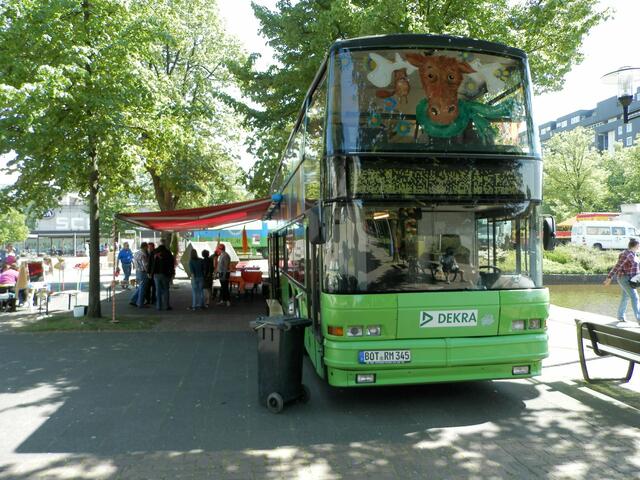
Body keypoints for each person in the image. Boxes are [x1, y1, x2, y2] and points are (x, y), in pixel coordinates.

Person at [603, 238, 640, 324]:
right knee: (635, 297)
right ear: (635, 245)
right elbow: (617, 266)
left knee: (625, 297)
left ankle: (621, 316)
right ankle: (639, 319)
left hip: (632, 280)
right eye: (639, 245)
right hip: (624, 278)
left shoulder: (634, 254)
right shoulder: (626, 254)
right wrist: (609, 278)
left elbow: (636, 267)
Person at [149, 238, 175, 311]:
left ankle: (158, 306)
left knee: (158, 290)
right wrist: (172, 273)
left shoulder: (154, 251)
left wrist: (149, 272)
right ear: (165, 243)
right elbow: (171, 264)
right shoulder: (168, 252)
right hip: (165, 274)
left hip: (156, 274)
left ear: (158, 243)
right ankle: (166, 306)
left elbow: (150, 263)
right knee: (166, 290)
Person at [129, 242, 149, 308]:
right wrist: (148, 272)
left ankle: (133, 300)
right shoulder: (143, 254)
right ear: (145, 247)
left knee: (140, 287)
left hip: (137, 271)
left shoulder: (136, 253)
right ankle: (140, 303)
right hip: (143, 272)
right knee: (143, 288)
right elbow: (145, 264)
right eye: (147, 247)